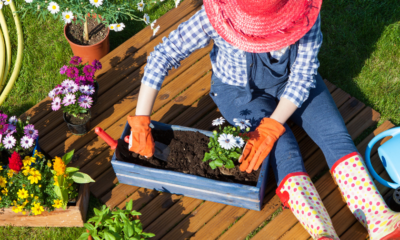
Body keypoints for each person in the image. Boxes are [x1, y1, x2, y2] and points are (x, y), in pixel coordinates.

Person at [126, 0, 400, 239]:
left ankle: (379, 219)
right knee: (284, 150)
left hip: (293, 83)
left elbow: (303, 76)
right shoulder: (218, 15)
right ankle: (323, 233)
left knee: (335, 135)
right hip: (238, 94)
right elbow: (164, 55)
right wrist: (141, 118)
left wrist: (272, 126)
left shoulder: (303, 15)